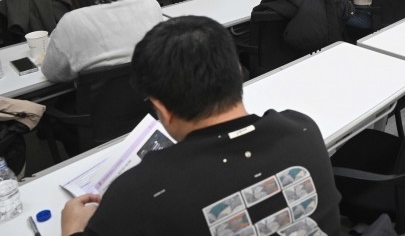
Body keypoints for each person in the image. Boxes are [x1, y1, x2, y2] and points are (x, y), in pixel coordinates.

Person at [60, 16, 342, 236]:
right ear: (237, 74)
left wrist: (72, 227)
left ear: (162, 110)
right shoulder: (303, 130)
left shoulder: (137, 195)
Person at [41, 0, 162, 82]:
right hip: (151, 97)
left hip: (99, 100)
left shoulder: (71, 21)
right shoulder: (150, 5)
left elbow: (52, 74)